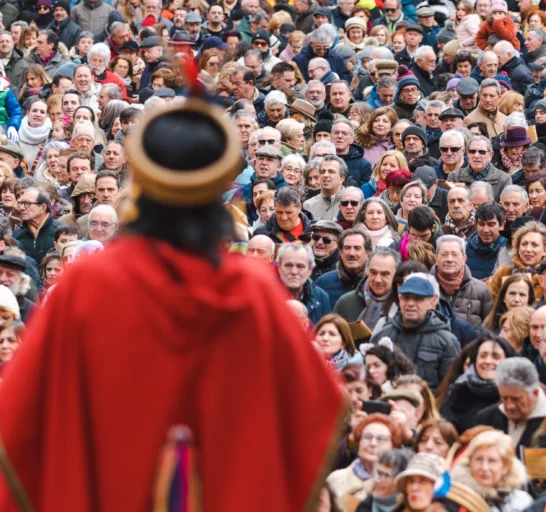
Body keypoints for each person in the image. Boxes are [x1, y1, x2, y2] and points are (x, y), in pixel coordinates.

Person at [0, 95, 344, 510]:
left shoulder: (88, 286)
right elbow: (314, 408)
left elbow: (22, 419)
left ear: (142, 184)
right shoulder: (252, 291)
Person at [370, 273, 460, 389]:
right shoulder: (384, 335)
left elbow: (450, 389)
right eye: (406, 297)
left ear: (432, 301)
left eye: (418, 298)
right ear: (399, 299)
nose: (410, 303)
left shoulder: (447, 341)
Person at [439, 333, 515, 434]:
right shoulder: (458, 393)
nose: (488, 361)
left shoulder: (516, 395)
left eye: (495, 356)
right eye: (483, 356)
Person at [326, 413, 403, 509]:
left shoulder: (400, 483)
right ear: (358, 442)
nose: (373, 444)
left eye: (381, 439)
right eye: (368, 437)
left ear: (393, 446)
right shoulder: (335, 479)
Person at [475, 357, 546, 449]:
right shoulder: (486, 419)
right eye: (504, 398)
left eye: (516, 399)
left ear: (535, 393)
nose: (509, 406)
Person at [450, 429, 534, 511]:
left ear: (505, 467)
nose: (484, 467)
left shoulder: (522, 502)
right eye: (478, 459)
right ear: (470, 463)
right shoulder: (454, 498)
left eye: (492, 461)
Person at [334, 247, 400, 329]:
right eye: (373, 272)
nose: (377, 279)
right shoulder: (346, 303)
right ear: (367, 271)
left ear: (396, 275)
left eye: (384, 274)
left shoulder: (402, 306)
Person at [276, 242, 331, 325]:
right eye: (288, 265)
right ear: (279, 267)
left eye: (300, 266)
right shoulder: (265, 296)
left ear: (310, 270)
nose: (294, 272)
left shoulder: (321, 297)